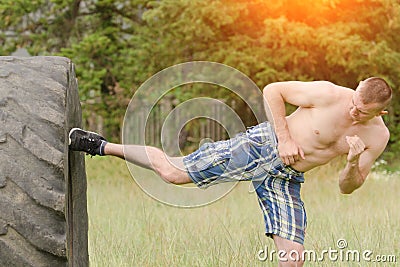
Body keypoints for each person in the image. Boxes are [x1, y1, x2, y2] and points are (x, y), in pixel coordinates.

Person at [69, 77, 392, 266]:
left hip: (287, 178)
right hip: (263, 146)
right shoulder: (329, 94)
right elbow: (273, 90)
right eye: (354, 101)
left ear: (381, 112)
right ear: (357, 87)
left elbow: (348, 187)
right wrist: (284, 139)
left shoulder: (376, 137)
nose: (353, 109)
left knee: (294, 258)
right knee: (173, 173)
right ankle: (102, 146)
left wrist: (351, 162)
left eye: (361, 112)